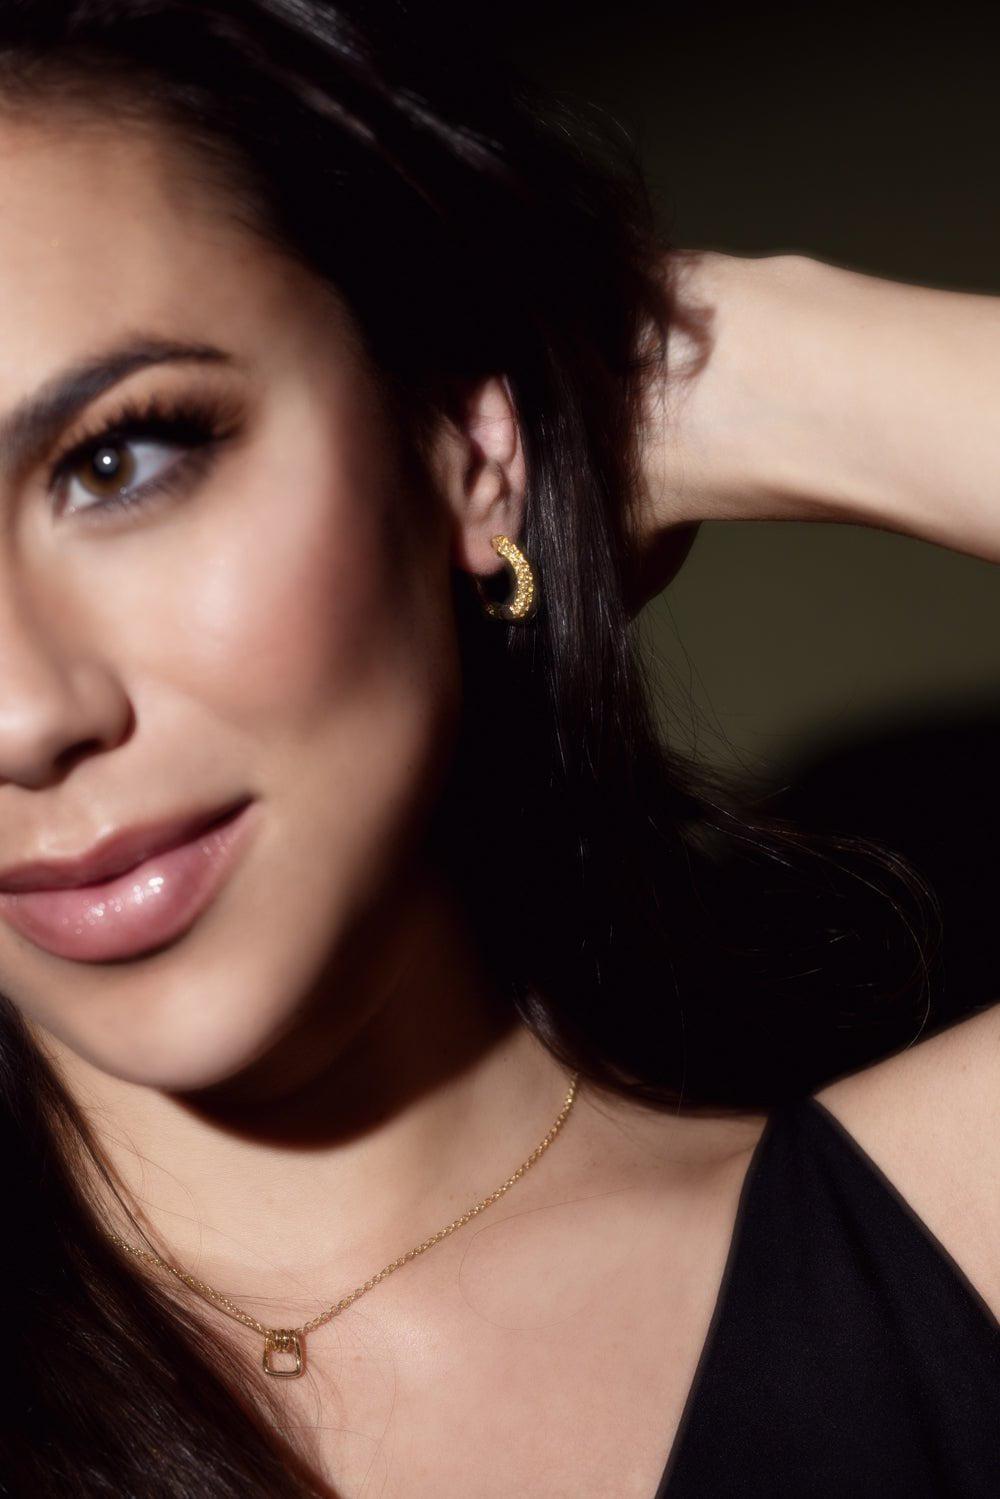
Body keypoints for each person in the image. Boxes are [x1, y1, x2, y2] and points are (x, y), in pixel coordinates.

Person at [0, 3, 995, 1496]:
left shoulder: (940, 1250)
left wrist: (715, 370)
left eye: (119, 458)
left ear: (467, 444)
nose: (22, 717)